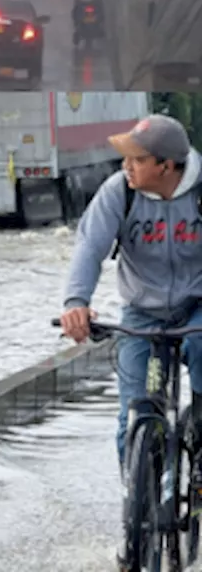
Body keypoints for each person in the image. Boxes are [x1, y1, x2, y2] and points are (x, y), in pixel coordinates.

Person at [60, 114, 202, 471]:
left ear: (166, 166)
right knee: (133, 415)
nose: (127, 166)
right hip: (142, 312)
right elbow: (89, 248)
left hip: (198, 307)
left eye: (137, 159)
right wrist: (77, 302)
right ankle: (141, 503)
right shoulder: (118, 191)